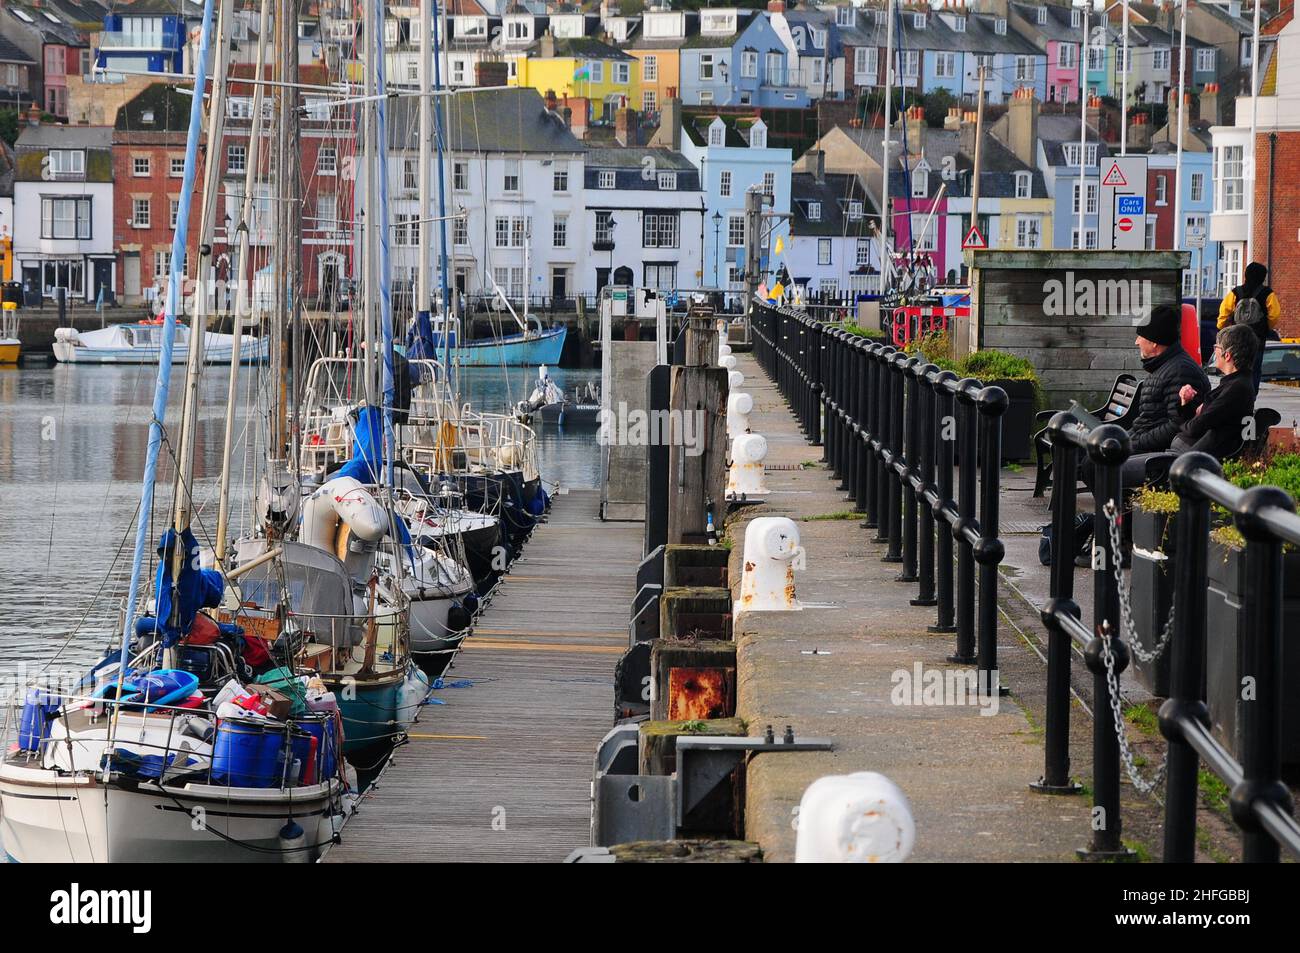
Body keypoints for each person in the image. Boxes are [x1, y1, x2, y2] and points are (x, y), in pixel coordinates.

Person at [1170, 324, 1258, 457]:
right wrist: (1186, 403)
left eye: (1216, 347)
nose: (1214, 351)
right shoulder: (1237, 383)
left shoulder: (1236, 389)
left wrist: (1198, 414)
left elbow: (1195, 427)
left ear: (1227, 355)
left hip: (1194, 458)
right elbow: (1198, 423)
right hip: (1194, 451)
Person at [1218, 261, 1281, 392]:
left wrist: (1221, 327)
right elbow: (1274, 315)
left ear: (1245, 275)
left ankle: (1232, 392)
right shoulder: (1268, 293)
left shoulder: (1235, 292)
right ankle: (1251, 397)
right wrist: (1266, 327)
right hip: (1257, 338)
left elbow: (1224, 312)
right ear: (1263, 277)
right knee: (1254, 368)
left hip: (1236, 338)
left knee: (1234, 367)